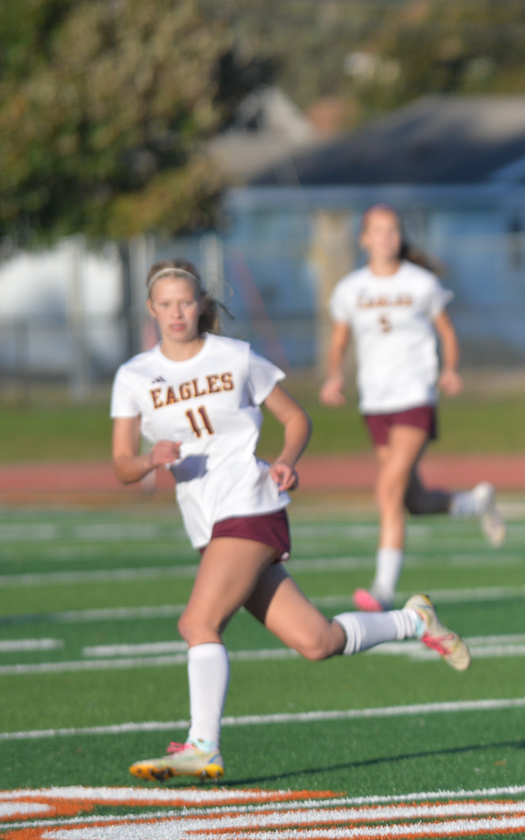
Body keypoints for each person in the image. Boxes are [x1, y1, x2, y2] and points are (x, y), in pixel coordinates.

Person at [114, 259, 471, 781]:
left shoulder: (235, 357)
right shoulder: (134, 376)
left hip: (251, 505)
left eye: (185, 301)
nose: (176, 312)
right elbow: (123, 463)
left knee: (198, 623)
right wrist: (148, 460)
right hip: (208, 523)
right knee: (317, 642)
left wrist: (285, 460)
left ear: (200, 306)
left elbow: (296, 418)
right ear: (151, 309)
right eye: (165, 304)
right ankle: (415, 620)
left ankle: (202, 745)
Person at [320, 204, 503, 613]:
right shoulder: (350, 289)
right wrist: (335, 376)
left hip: (415, 396)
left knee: (387, 489)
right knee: (412, 501)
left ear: (400, 237)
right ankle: (476, 503)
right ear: (363, 238)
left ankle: (383, 590)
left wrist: (451, 369)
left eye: (392, 230)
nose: (386, 237)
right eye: (377, 230)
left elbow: (447, 334)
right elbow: (338, 344)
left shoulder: (421, 283)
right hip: (375, 401)